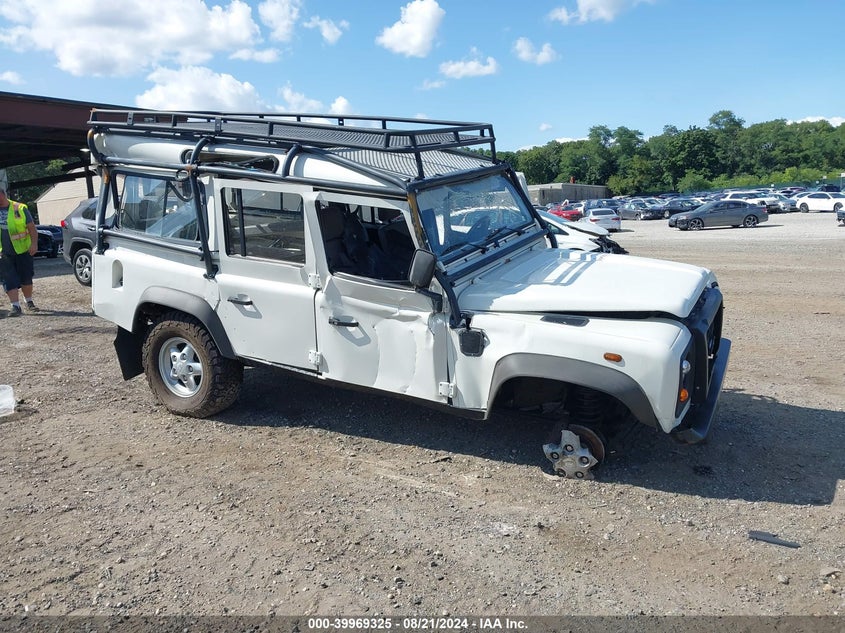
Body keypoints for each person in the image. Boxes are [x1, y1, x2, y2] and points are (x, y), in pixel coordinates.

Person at [0, 188, 39, 317]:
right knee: (8, 279)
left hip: (23, 250)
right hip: (3, 252)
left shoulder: (20, 208)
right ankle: (15, 306)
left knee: (26, 277)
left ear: (3, 195)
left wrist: (34, 244)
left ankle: (28, 301)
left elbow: (32, 228)